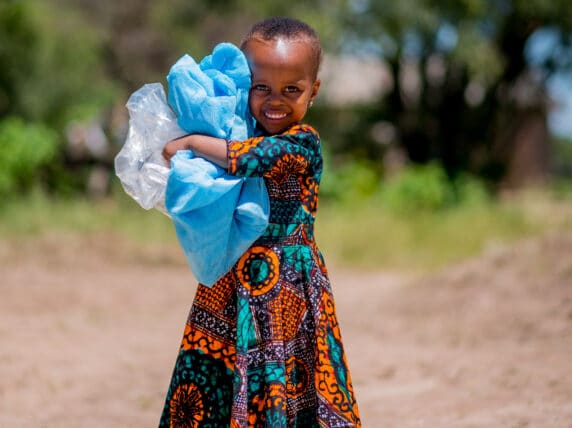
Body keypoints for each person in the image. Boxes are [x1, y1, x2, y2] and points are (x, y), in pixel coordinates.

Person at [160, 16, 361, 427]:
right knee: (215, 388)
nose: (276, 100)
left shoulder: (304, 143)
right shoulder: (236, 131)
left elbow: (252, 157)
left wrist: (192, 143)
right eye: (261, 87)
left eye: (292, 89)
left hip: (287, 290)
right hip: (228, 285)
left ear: (314, 91)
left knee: (284, 387)